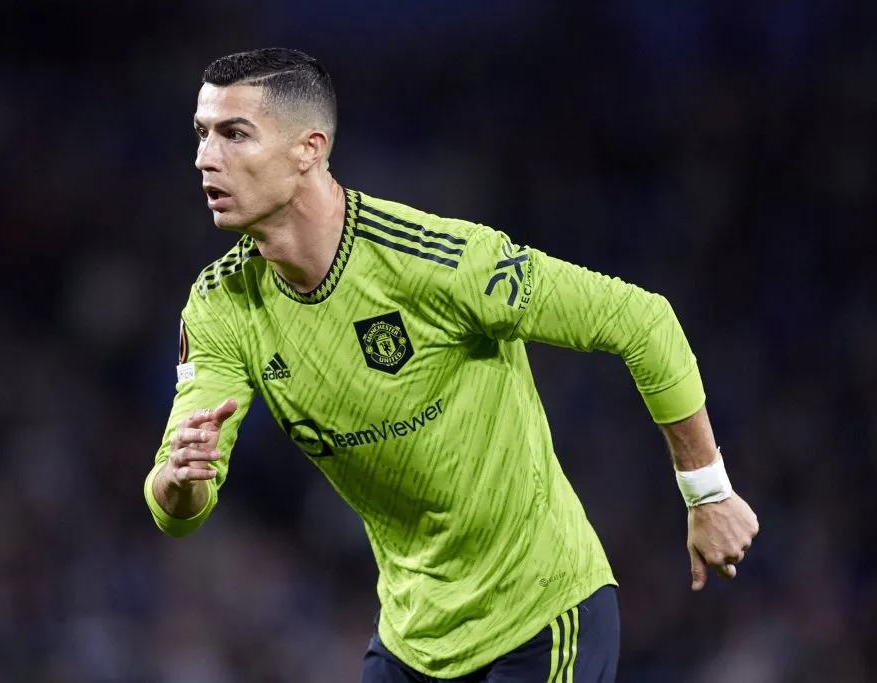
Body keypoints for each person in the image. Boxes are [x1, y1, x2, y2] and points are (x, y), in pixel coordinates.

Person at [143, 47, 759, 683]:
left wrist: (707, 490)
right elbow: (177, 506)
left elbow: (641, 320)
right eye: (201, 134)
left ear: (309, 149)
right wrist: (183, 477)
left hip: (541, 618)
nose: (205, 157)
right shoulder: (221, 306)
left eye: (234, 133)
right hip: (414, 639)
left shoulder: (436, 262)